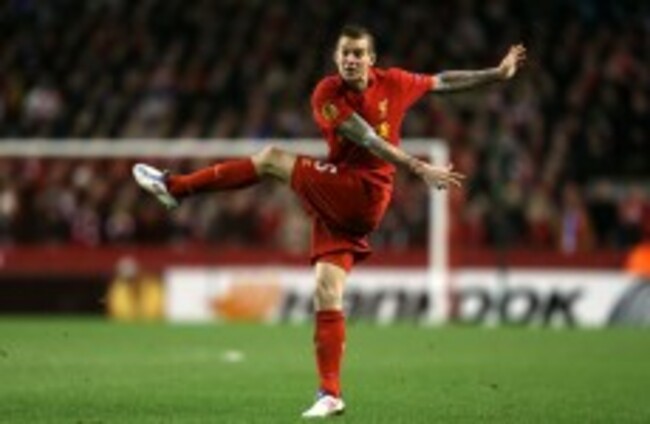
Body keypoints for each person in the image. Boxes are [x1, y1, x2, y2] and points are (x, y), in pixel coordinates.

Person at [133, 25, 525, 418]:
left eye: (358, 53)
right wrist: (418, 166)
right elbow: (366, 137)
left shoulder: (395, 82)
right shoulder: (327, 93)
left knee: (271, 159)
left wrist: (496, 74)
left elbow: (442, 82)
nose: (351, 59)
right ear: (337, 58)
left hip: (364, 192)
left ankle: (176, 188)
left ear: (371, 59)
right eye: (345, 53)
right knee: (326, 288)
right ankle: (330, 393)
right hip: (343, 194)